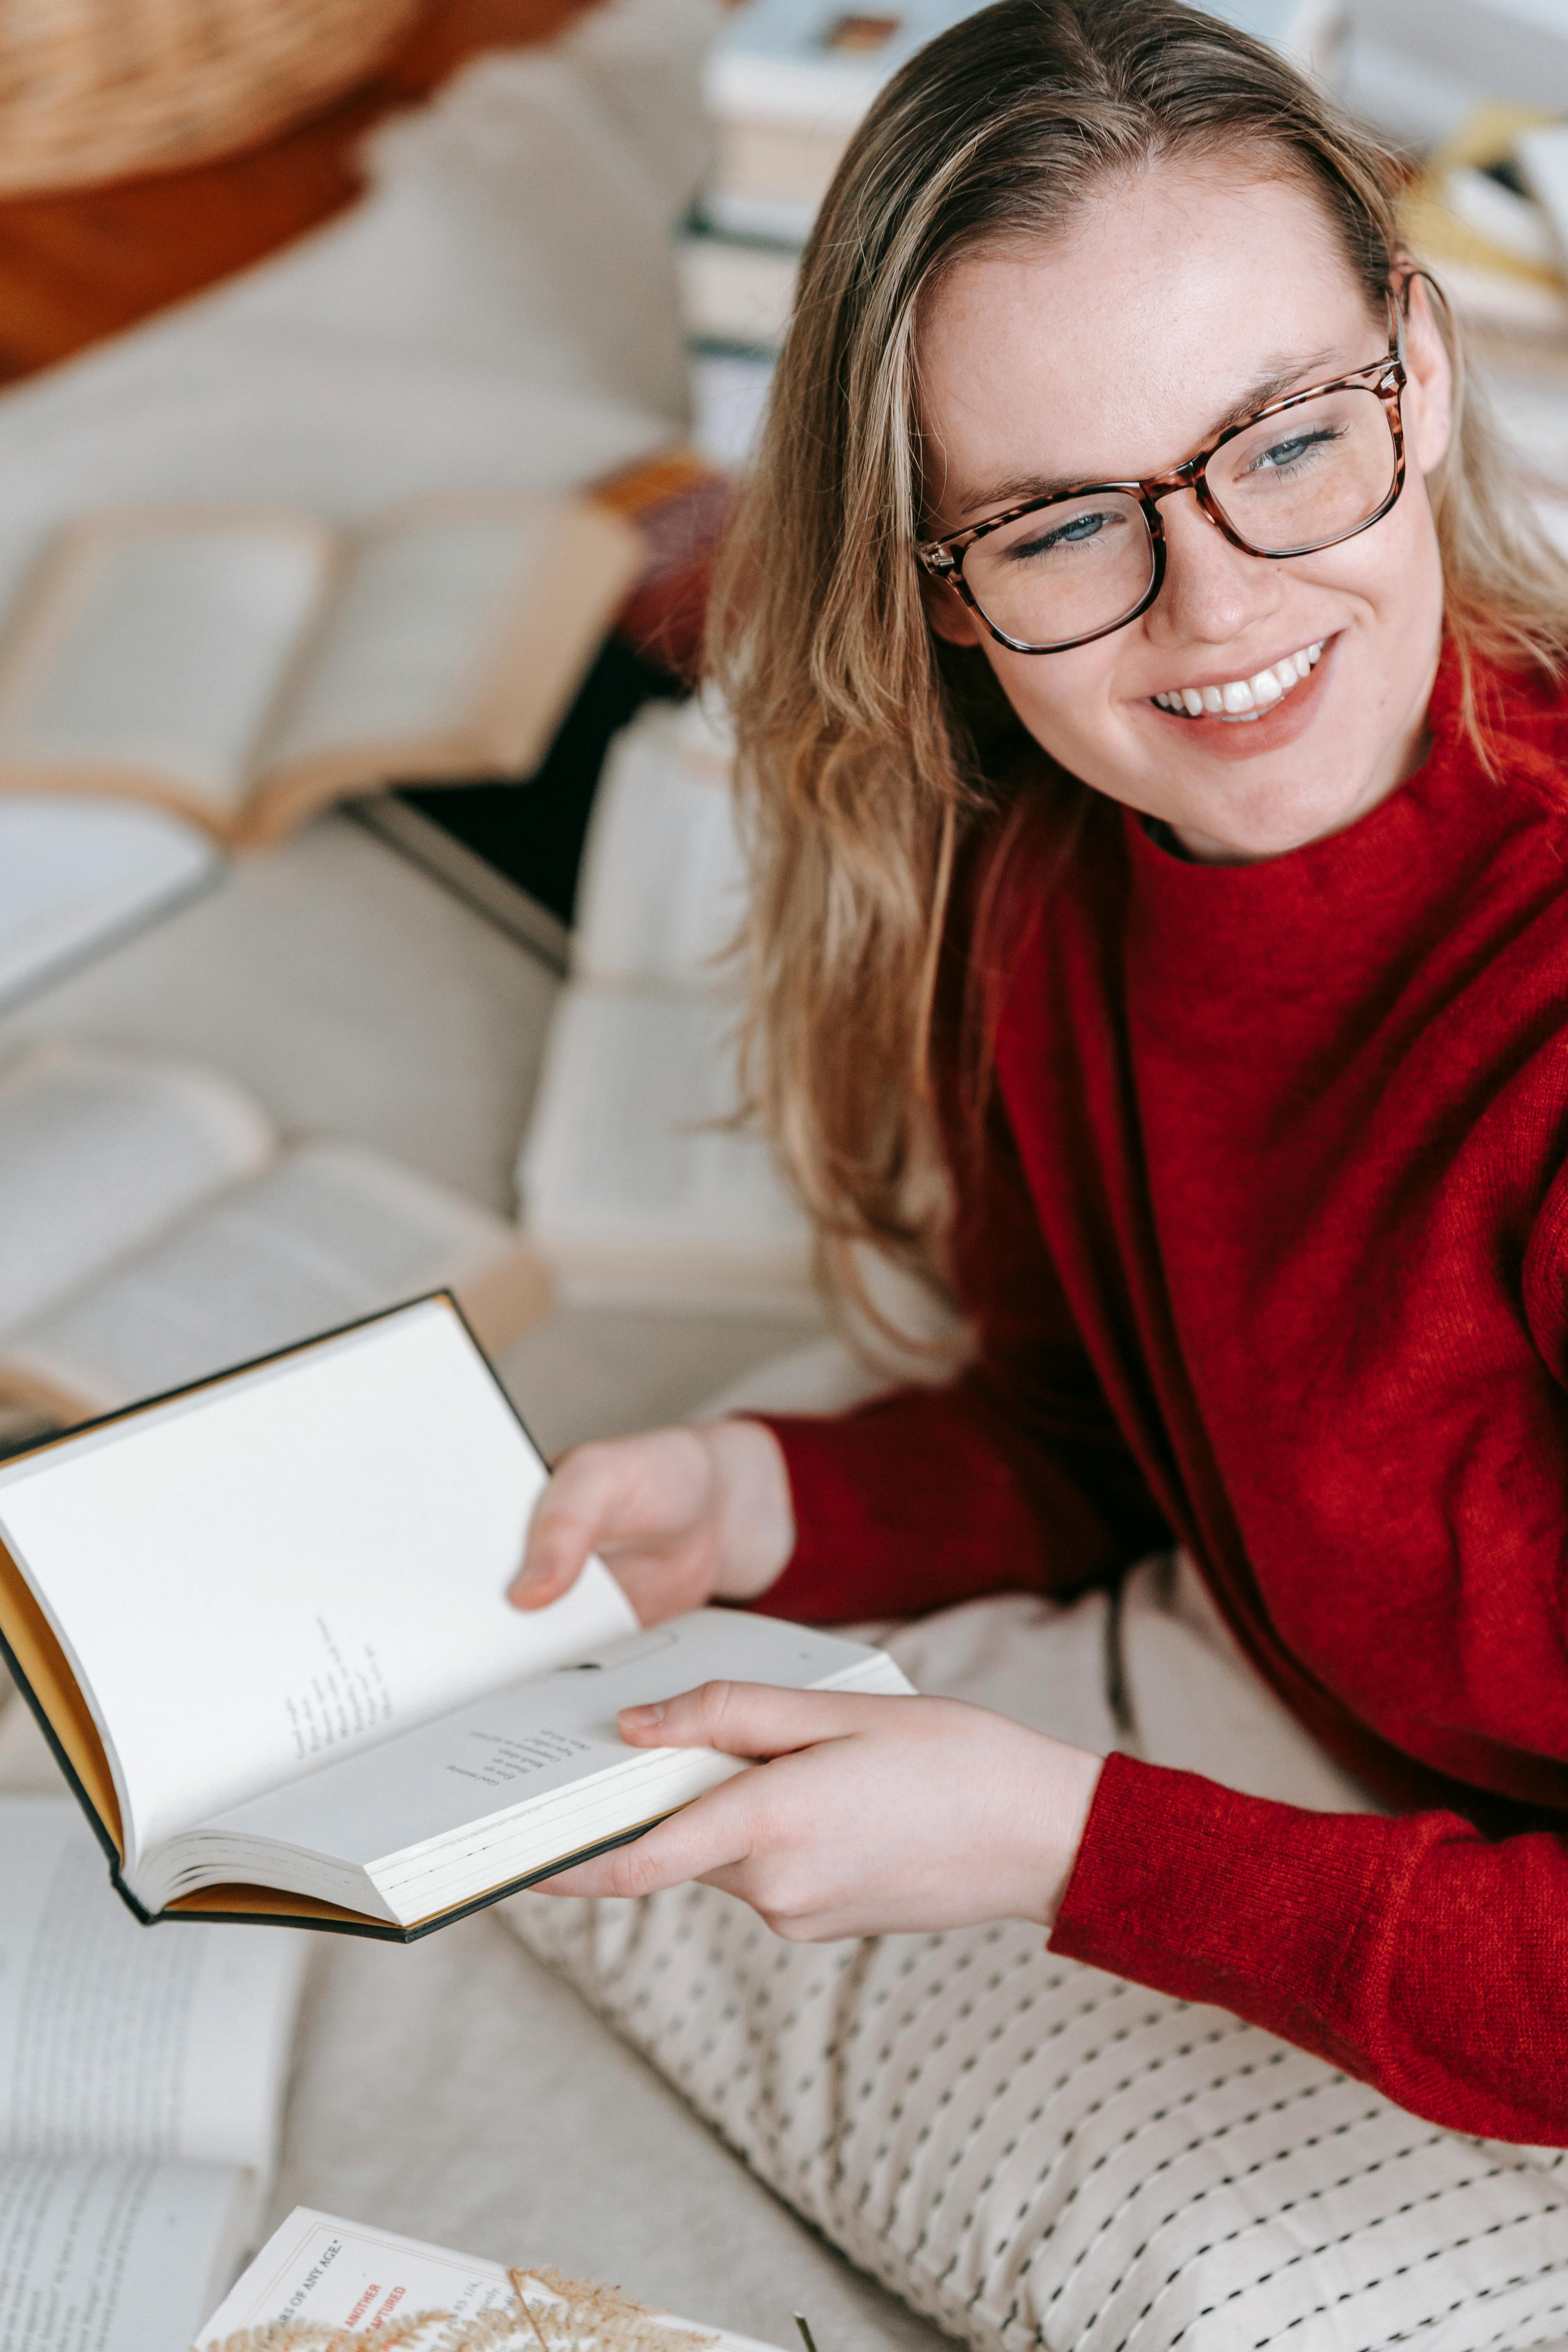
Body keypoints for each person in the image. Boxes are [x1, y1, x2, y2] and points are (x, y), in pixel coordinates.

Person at [508, 0, 1568, 2157]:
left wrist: (1075, 1848)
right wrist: (770, 1499)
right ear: (946, 591)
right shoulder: (1051, 880)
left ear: (1424, 375)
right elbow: (1135, 1419)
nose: (1216, 605)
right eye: (1066, 525)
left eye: (1288, 439)